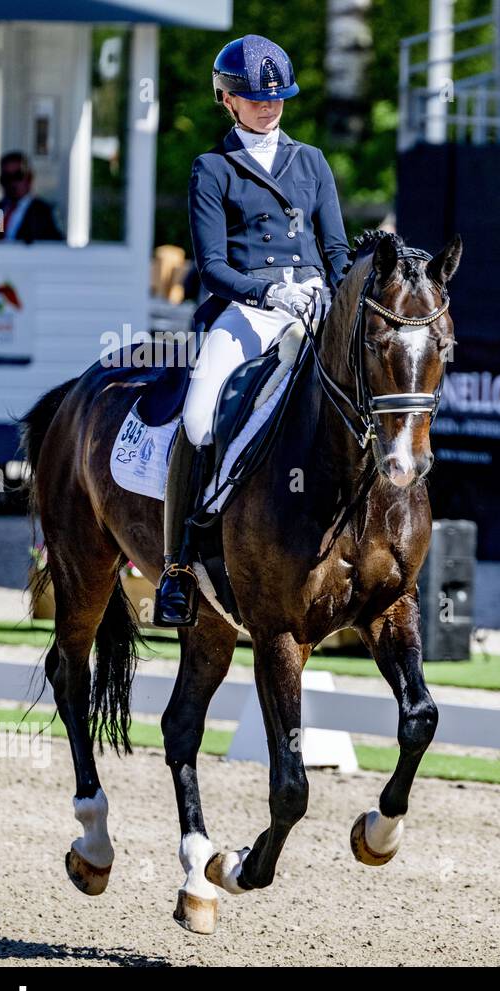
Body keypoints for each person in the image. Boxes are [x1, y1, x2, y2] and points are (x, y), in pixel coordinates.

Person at [152, 33, 351, 627]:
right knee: (199, 414)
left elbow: (337, 247)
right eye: (255, 98)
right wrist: (270, 291)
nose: (268, 107)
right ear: (228, 99)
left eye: (277, 98)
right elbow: (211, 267)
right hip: (246, 309)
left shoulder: (311, 161)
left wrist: (335, 304)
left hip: (314, 304)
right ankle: (179, 566)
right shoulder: (213, 168)